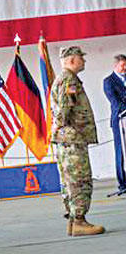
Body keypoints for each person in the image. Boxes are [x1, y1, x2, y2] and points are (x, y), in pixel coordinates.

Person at [50, 46, 104, 236]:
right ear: (72, 60)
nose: (84, 61)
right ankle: (79, 221)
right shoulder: (68, 80)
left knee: (71, 180)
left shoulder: (66, 79)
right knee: (79, 180)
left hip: (68, 139)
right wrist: (70, 132)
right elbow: (64, 112)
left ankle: (74, 221)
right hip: (72, 140)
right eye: (81, 58)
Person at [103, 54, 126, 196]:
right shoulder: (108, 81)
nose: (125, 68)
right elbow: (114, 101)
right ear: (115, 66)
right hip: (120, 120)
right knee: (121, 152)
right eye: (123, 65)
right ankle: (123, 182)